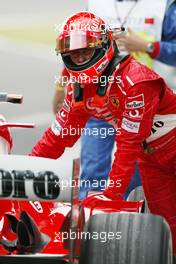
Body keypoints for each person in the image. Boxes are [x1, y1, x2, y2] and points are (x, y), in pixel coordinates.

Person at [30, 12, 176, 256]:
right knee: (169, 230)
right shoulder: (79, 90)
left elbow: (128, 144)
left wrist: (111, 195)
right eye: (74, 55)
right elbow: (56, 139)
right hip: (150, 160)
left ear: (103, 48)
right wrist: (21, 175)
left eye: (85, 52)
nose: (80, 58)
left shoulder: (136, 80)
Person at [52, 0, 176, 199]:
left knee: (133, 180)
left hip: (146, 109)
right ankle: (92, 224)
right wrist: (62, 83)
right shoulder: (96, 4)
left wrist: (149, 46)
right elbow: (77, 49)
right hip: (98, 100)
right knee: (92, 175)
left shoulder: (164, 6)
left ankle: (125, 222)